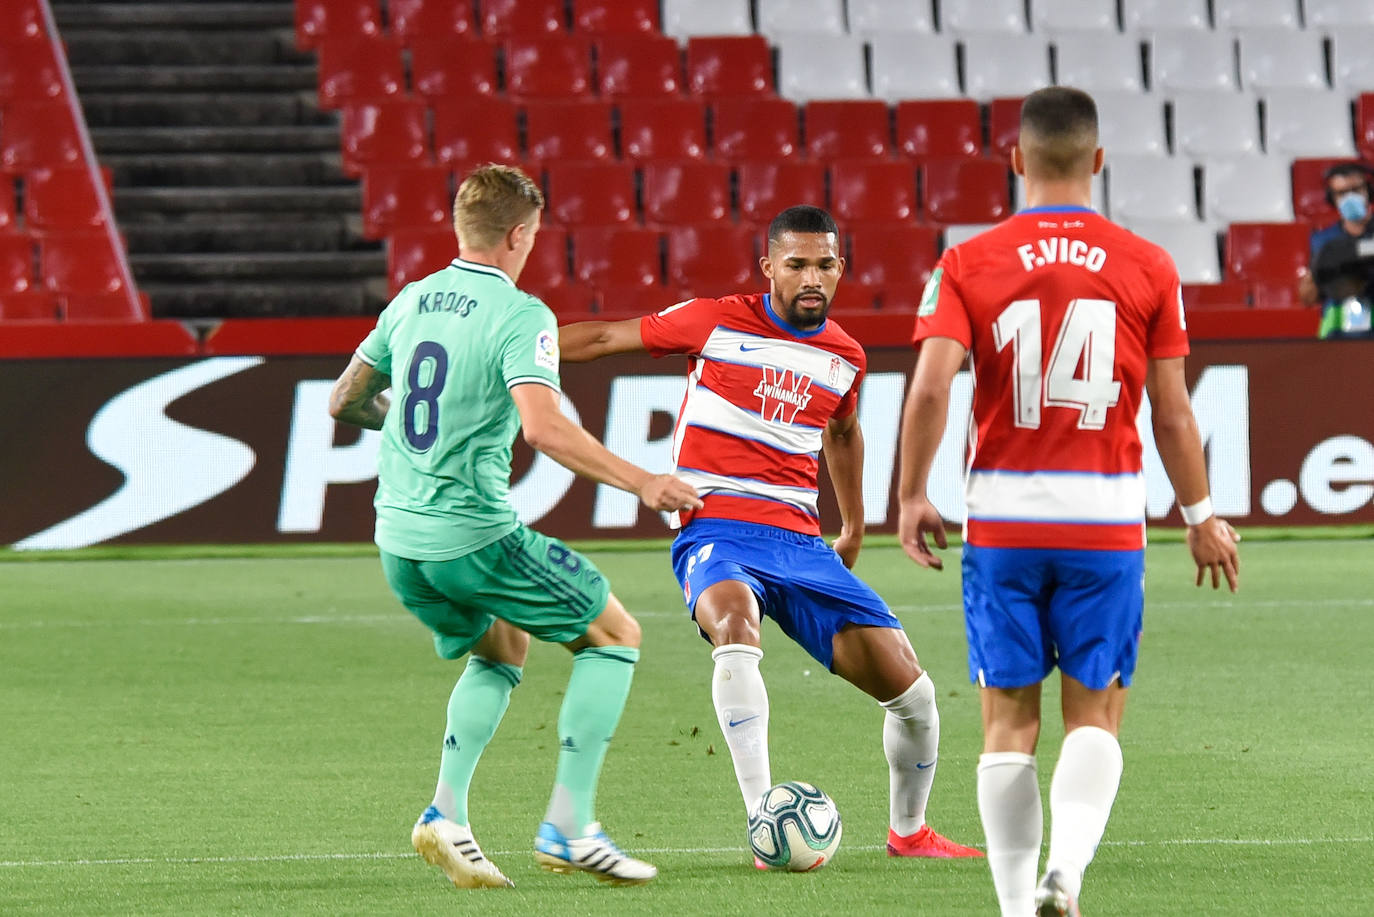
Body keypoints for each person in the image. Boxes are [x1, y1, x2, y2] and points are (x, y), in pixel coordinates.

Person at [895, 87, 1242, 917]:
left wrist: (911, 494)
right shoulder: (1149, 264)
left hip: (1005, 522)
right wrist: (1200, 518)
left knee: (1007, 722)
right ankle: (1069, 872)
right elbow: (1172, 410)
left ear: (1015, 161)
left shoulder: (964, 262)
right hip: (1106, 522)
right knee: (1095, 713)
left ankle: (1018, 906)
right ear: (1098, 160)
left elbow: (931, 390)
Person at [558, 205, 982, 866]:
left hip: (799, 542)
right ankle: (763, 817)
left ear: (841, 268)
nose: (812, 277)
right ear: (769, 267)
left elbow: (843, 431)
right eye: (797, 264)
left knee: (916, 696)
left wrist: (853, 522)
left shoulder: (845, 356)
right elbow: (608, 338)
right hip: (717, 527)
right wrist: (519, 356)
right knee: (734, 623)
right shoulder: (714, 319)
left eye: (825, 264)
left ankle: (909, 830)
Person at [327, 164, 702, 890]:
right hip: (472, 533)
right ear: (520, 234)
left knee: (502, 645)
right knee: (615, 633)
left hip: (398, 539)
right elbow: (546, 430)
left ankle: (445, 812)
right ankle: (569, 824)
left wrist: (415, 438)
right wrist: (645, 481)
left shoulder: (410, 302)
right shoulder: (520, 314)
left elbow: (345, 401)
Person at [1297, 161, 1374, 329]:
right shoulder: (1322, 240)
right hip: (1338, 324)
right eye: (1342, 193)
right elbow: (1308, 299)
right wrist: (1313, 280)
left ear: (1368, 190)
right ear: (1332, 199)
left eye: (1356, 190)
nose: (1350, 198)